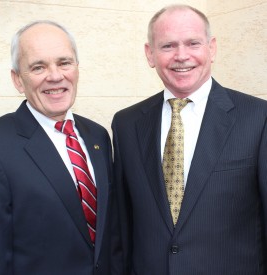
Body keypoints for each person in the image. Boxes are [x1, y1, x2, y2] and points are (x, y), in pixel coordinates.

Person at [112, 4, 267, 275]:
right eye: (168, 46)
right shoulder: (126, 124)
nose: (181, 56)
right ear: (150, 54)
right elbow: (124, 223)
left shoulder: (257, 117)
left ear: (212, 48)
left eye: (193, 43)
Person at [0, 20, 122, 275]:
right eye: (38, 67)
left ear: (77, 68)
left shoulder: (98, 136)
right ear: (18, 80)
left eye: (64, 62)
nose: (55, 75)